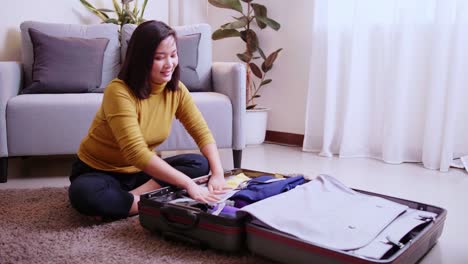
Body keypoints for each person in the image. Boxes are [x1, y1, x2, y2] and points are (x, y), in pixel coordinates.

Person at [68, 20, 226, 220]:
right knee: (84, 194)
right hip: (99, 171)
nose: (169, 64)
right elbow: (136, 153)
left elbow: (201, 132)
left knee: (200, 164)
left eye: (173, 55)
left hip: (140, 175)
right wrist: (188, 185)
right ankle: (152, 199)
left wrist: (218, 173)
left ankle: (129, 202)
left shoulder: (176, 90)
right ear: (141, 59)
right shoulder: (118, 91)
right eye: (159, 57)